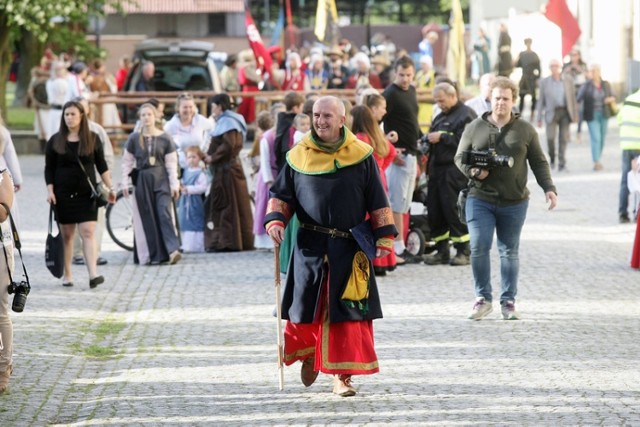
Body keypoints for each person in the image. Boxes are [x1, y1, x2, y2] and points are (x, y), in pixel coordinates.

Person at [264, 96, 397, 397]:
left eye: (327, 116)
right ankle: (312, 353)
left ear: (342, 120)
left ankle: (342, 376)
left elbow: (377, 197)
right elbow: (281, 195)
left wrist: (384, 234)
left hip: (349, 247)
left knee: (347, 314)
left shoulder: (361, 156)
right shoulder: (298, 155)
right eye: (316, 115)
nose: (320, 121)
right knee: (307, 306)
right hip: (310, 245)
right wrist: (275, 220)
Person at [454, 76, 557, 320]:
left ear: (514, 101)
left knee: (509, 251)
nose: (501, 103)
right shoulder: (474, 127)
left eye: (506, 99)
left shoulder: (525, 129)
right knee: (478, 246)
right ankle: (482, 298)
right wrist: (474, 172)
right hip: (480, 198)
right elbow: (460, 157)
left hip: (514, 201)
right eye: (497, 98)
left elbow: (539, 161)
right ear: (489, 98)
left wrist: (548, 188)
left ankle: (508, 301)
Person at [44, 100, 116, 288]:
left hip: (87, 194)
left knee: (88, 232)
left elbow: (102, 166)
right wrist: (50, 191)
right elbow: (49, 169)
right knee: (67, 236)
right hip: (63, 194)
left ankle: (93, 274)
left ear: (82, 116)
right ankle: (68, 274)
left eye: (73, 114)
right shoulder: (55, 140)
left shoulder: (92, 138)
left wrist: (111, 188)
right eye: (66, 114)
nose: (69, 117)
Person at [121, 103, 182, 265]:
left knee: (164, 212)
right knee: (146, 216)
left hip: (161, 178)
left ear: (155, 116)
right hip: (142, 180)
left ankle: (172, 249)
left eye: (149, 114)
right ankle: (151, 254)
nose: (146, 118)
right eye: (143, 115)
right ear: (140, 118)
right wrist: (125, 182)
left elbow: (171, 163)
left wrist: (174, 184)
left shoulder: (165, 137)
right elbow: (127, 162)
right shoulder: (134, 138)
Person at [423, 83, 477, 266]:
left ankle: (464, 251)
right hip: (437, 170)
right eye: (437, 101)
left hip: (455, 171)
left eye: (442, 100)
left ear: (453, 96)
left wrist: (443, 137)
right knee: (435, 210)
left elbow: (469, 141)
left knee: (454, 209)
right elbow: (432, 135)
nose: (439, 104)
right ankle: (441, 250)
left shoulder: (466, 115)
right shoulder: (439, 116)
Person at [382, 55, 423, 264]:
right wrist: (389, 149)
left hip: (412, 153)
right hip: (398, 156)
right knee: (397, 203)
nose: (405, 79)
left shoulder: (412, 90)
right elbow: (376, 121)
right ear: (394, 73)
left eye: (408, 75)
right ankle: (397, 247)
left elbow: (411, 120)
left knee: (406, 203)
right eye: (401, 75)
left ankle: (402, 244)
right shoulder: (389, 93)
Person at [351, 104, 398, 276]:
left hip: (365, 183)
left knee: (369, 220)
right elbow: (392, 152)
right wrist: (381, 169)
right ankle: (384, 261)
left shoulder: (358, 138)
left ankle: (372, 259)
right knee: (382, 219)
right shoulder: (377, 135)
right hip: (380, 180)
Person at [204, 93, 254, 252]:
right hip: (229, 170)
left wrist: (212, 157)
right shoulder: (232, 120)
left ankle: (228, 242)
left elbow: (228, 146)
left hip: (227, 171)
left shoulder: (228, 122)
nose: (212, 109)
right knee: (236, 205)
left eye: (213, 106)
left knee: (227, 205)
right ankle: (235, 241)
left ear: (219, 106)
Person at [70, 97, 114, 267]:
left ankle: (95, 252)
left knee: (97, 219)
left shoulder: (97, 131)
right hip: (74, 184)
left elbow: (107, 157)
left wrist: (105, 181)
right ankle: (77, 253)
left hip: (95, 183)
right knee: (73, 220)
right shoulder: (65, 133)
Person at [252, 105, 285, 250]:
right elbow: (264, 160)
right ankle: (264, 240)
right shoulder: (267, 137)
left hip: (278, 173)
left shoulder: (283, 134)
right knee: (265, 206)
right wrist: (269, 180)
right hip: (269, 175)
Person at [537, 59, 578, 171]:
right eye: (552, 66)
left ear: (561, 67)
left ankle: (562, 163)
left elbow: (573, 98)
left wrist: (575, 115)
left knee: (563, 138)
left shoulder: (568, 80)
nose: (554, 68)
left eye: (556, 66)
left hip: (565, 112)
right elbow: (540, 101)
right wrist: (539, 117)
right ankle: (552, 159)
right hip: (551, 112)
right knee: (550, 138)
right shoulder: (544, 82)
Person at [576, 64, 617, 171]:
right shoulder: (586, 85)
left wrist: (609, 99)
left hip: (604, 114)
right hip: (592, 114)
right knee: (596, 137)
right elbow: (578, 98)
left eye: (595, 71)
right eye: (592, 71)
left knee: (602, 138)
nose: (593, 73)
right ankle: (596, 161)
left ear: (599, 72)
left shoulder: (605, 84)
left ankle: (598, 157)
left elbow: (614, 96)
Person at [163, 92, 215, 170]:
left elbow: (212, 128)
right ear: (178, 108)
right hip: (180, 167)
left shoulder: (199, 120)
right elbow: (163, 143)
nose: (188, 110)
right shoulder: (171, 125)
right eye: (185, 107)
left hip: (200, 166)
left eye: (191, 107)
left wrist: (204, 148)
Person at [0, 168, 15, 394]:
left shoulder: (2, 173)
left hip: (1, 250)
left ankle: (4, 367)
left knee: (0, 311)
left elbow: (3, 213)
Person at [177, 146, 208, 253]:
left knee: (195, 220)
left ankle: (196, 245)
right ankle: (185, 244)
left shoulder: (200, 173)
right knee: (184, 220)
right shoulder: (185, 171)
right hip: (184, 201)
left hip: (195, 202)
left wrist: (189, 189)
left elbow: (203, 187)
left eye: (194, 157)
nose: (191, 159)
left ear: (199, 158)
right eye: (189, 157)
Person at [617, 87, 640, 224]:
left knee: (626, 179)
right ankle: (637, 213)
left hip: (627, 145)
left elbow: (620, 120)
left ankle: (622, 213)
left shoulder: (629, 99)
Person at [562, 48, 589, 143]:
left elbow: (588, 76)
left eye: (575, 54)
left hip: (580, 90)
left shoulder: (583, 65)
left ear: (579, 55)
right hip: (569, 91)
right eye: (572, 55)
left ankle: (578, 133)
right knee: (569, 110)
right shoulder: (566, 65)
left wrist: (580, 69)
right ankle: (568, 132)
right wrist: (567, 70)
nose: (573, 57)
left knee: (580, 111)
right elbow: (561, 76)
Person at [514, 38, 541, 121]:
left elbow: (539, 69)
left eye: (529, 43)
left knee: (533, 97)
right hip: (524, 78)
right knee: (521, 96)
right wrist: (516, 58)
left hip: (532, 78)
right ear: (525, 44)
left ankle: (532, 114)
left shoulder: (534, 55)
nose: (528, 44)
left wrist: (537, 78)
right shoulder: (522, 54)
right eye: (527, 43)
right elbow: (517, 65)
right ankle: (519, 115)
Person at [45, 61, 69, 141]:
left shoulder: (68, 81)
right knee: (54, 133)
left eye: (61, 69)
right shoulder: (51, 82)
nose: (59, 71)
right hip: (55, 110)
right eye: (57, 70)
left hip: (66, 110)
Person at [414, 55, 436, 133]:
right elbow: (416, 83)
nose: (422, 66)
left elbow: (435, 87)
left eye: (424, 64)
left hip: (429, 102)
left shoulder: (433, 74)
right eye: (422, 64)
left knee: (426, 118)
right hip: (419, 102)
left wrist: (421, 90)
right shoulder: (419, 74)